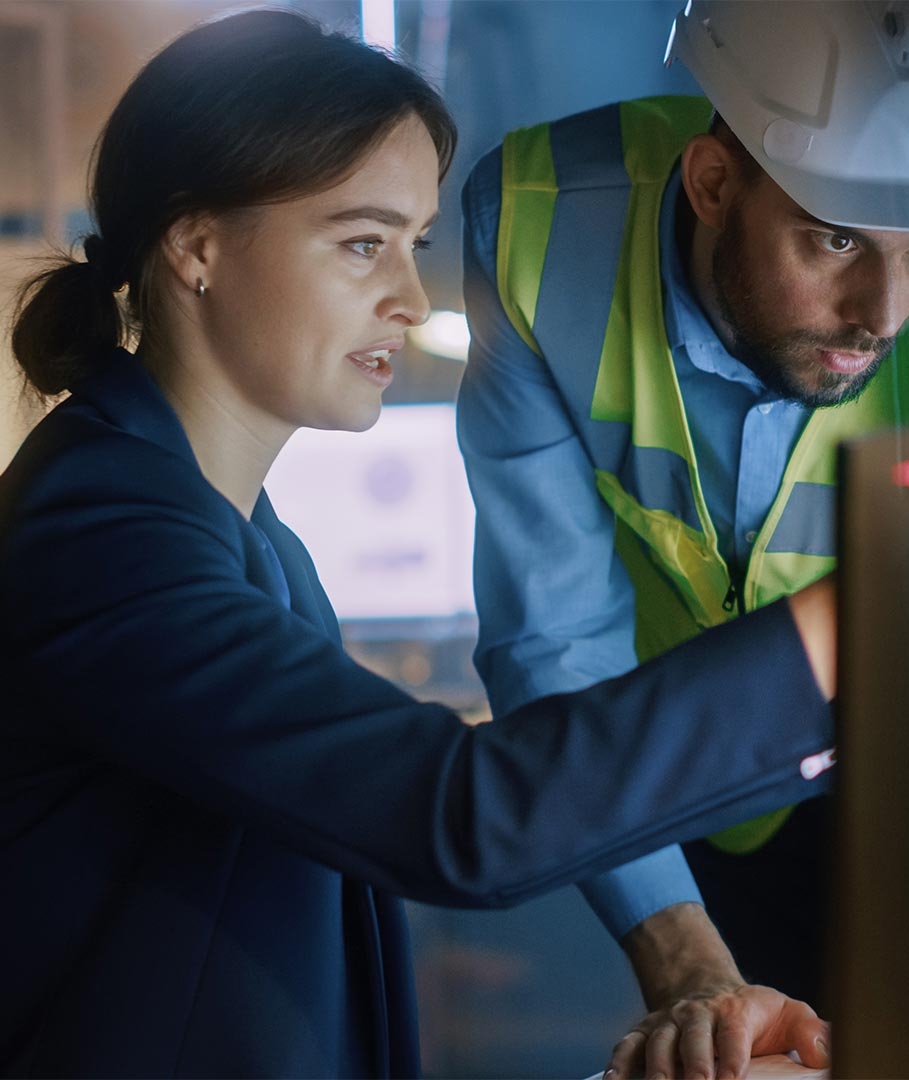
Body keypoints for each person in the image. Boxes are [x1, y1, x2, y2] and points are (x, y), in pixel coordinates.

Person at [0, 9, 845, 1078]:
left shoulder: (251, 542)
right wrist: (827, 643)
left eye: (415, 246)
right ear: (197, 244)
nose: (407, 299)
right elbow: (459, 815)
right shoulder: (106, 533)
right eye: (362, 242)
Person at [457, 0, 909, 1066]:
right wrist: (689, 964)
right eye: (835, 238)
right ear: (713, 184)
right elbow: (553, 634)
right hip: (664, 781)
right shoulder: (543, 224)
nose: (885, 308)